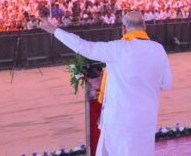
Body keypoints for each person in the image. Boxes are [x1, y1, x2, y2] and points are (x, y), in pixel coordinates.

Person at [40, 11, 173, 156]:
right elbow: (166, 84)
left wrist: (54, 30)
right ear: (145, 27)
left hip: (120, 121)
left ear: (123, 28)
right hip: (146, 119)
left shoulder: (118, 48)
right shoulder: (158, 49)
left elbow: (83, 47)